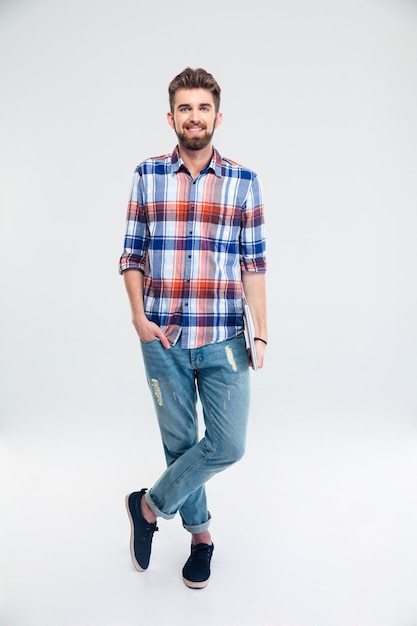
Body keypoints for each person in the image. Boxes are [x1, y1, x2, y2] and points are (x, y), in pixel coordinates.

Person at [119, 67, 267, 589]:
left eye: (203, 108)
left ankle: (148, 506)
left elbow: (254, 264)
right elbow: (132, 253)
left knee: (227, 445)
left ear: (217, 117)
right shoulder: (147, 174)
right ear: (171, 117)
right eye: (185, 108)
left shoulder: (244, 182)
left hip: (225, 336)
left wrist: (262, 332)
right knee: (180, 445)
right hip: (162, 338)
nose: (194, 117)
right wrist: (138, 317)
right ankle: (201, 538)